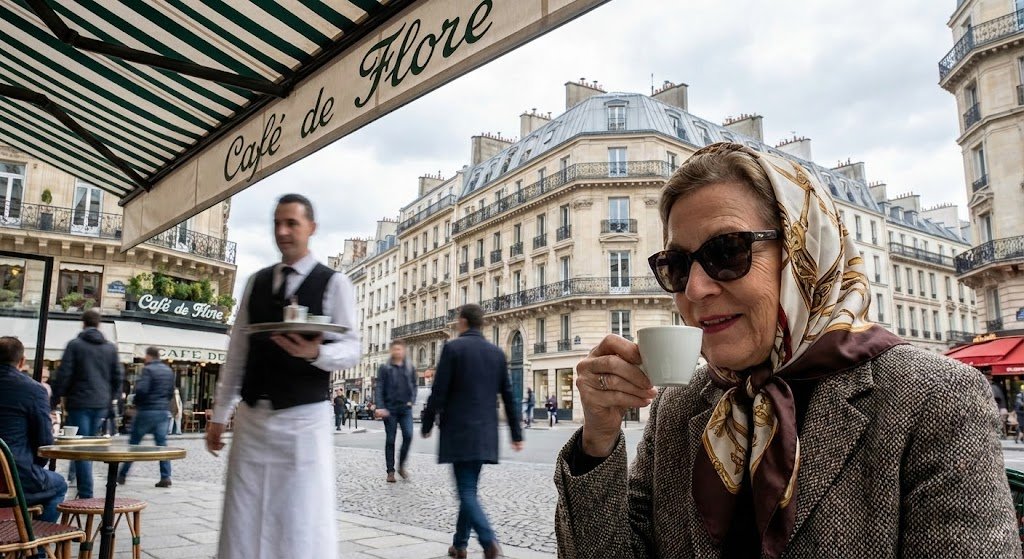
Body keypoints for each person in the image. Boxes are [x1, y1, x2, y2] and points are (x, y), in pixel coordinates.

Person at [554, 143, 1018, 558]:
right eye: (676, 265)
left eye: (726, 252)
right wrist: (598, 437)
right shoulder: (681, 406)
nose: (694, 289)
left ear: (803, 255)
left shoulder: (931, 399)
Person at [206, 193, 360, 559]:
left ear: (311, 228)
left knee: (299, 512)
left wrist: (316, 352)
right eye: (278, 222)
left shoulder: (334, 283)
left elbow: (352, 347)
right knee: (244, 511)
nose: (283, 231)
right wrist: (219, 413)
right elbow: (237, 353)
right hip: (253, 419)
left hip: (303, 420)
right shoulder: (256, 283)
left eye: (292, 223)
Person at [422, 304, 523, 559]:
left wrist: (426, 424)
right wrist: (516, 433)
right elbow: (509, 397)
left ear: (463, 321)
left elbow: (439, 391)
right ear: (482, 324)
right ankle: (460, 544)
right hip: (485, 432)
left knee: (465, 491)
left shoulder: (453, 348)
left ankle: (489, 541)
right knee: (470, 489)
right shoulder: (496, 353)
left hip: (459, 431)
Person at [50, 309, 122, 499]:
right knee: (87, 442)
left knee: (81, 445)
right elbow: (118, 376)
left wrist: (55, 399)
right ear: (99, 324)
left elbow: (64, 374)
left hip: (79, 401)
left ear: (83, 323)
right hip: (101, 403)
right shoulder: (110, 348)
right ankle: (76, 477)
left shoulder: (75, 345)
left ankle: (86, 492)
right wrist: (110, 399)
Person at [0, 337, 67, 521]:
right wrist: (35, 467)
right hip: (15, 477)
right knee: (60, 485)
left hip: (9, 475)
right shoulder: (33, 390)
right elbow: (44, 442)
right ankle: (35, 545)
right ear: (21, 362)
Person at [117, 347, 175, 487]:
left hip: (147, 411)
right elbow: (170, 392)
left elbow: (142, 390)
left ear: (149, 356)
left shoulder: (148, 370)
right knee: (162, 445)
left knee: (134, 444)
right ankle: (165, 476)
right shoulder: (168, 371)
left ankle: (122, 475)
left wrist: (136, 403)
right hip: (162, 412)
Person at [375, 340, 417, 482]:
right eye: (395, 349)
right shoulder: (385, 368)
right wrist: (380, 406)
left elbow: (415, 385)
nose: (397, 352)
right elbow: (379, 387)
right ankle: (390, 471)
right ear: (391, 351)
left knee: (409, 435)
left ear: (403, 351)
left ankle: (401, 465)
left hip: (405, 408)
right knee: (391, 439)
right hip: (390, 409)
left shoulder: (410, 367)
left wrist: (413, 400)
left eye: (400, 349)